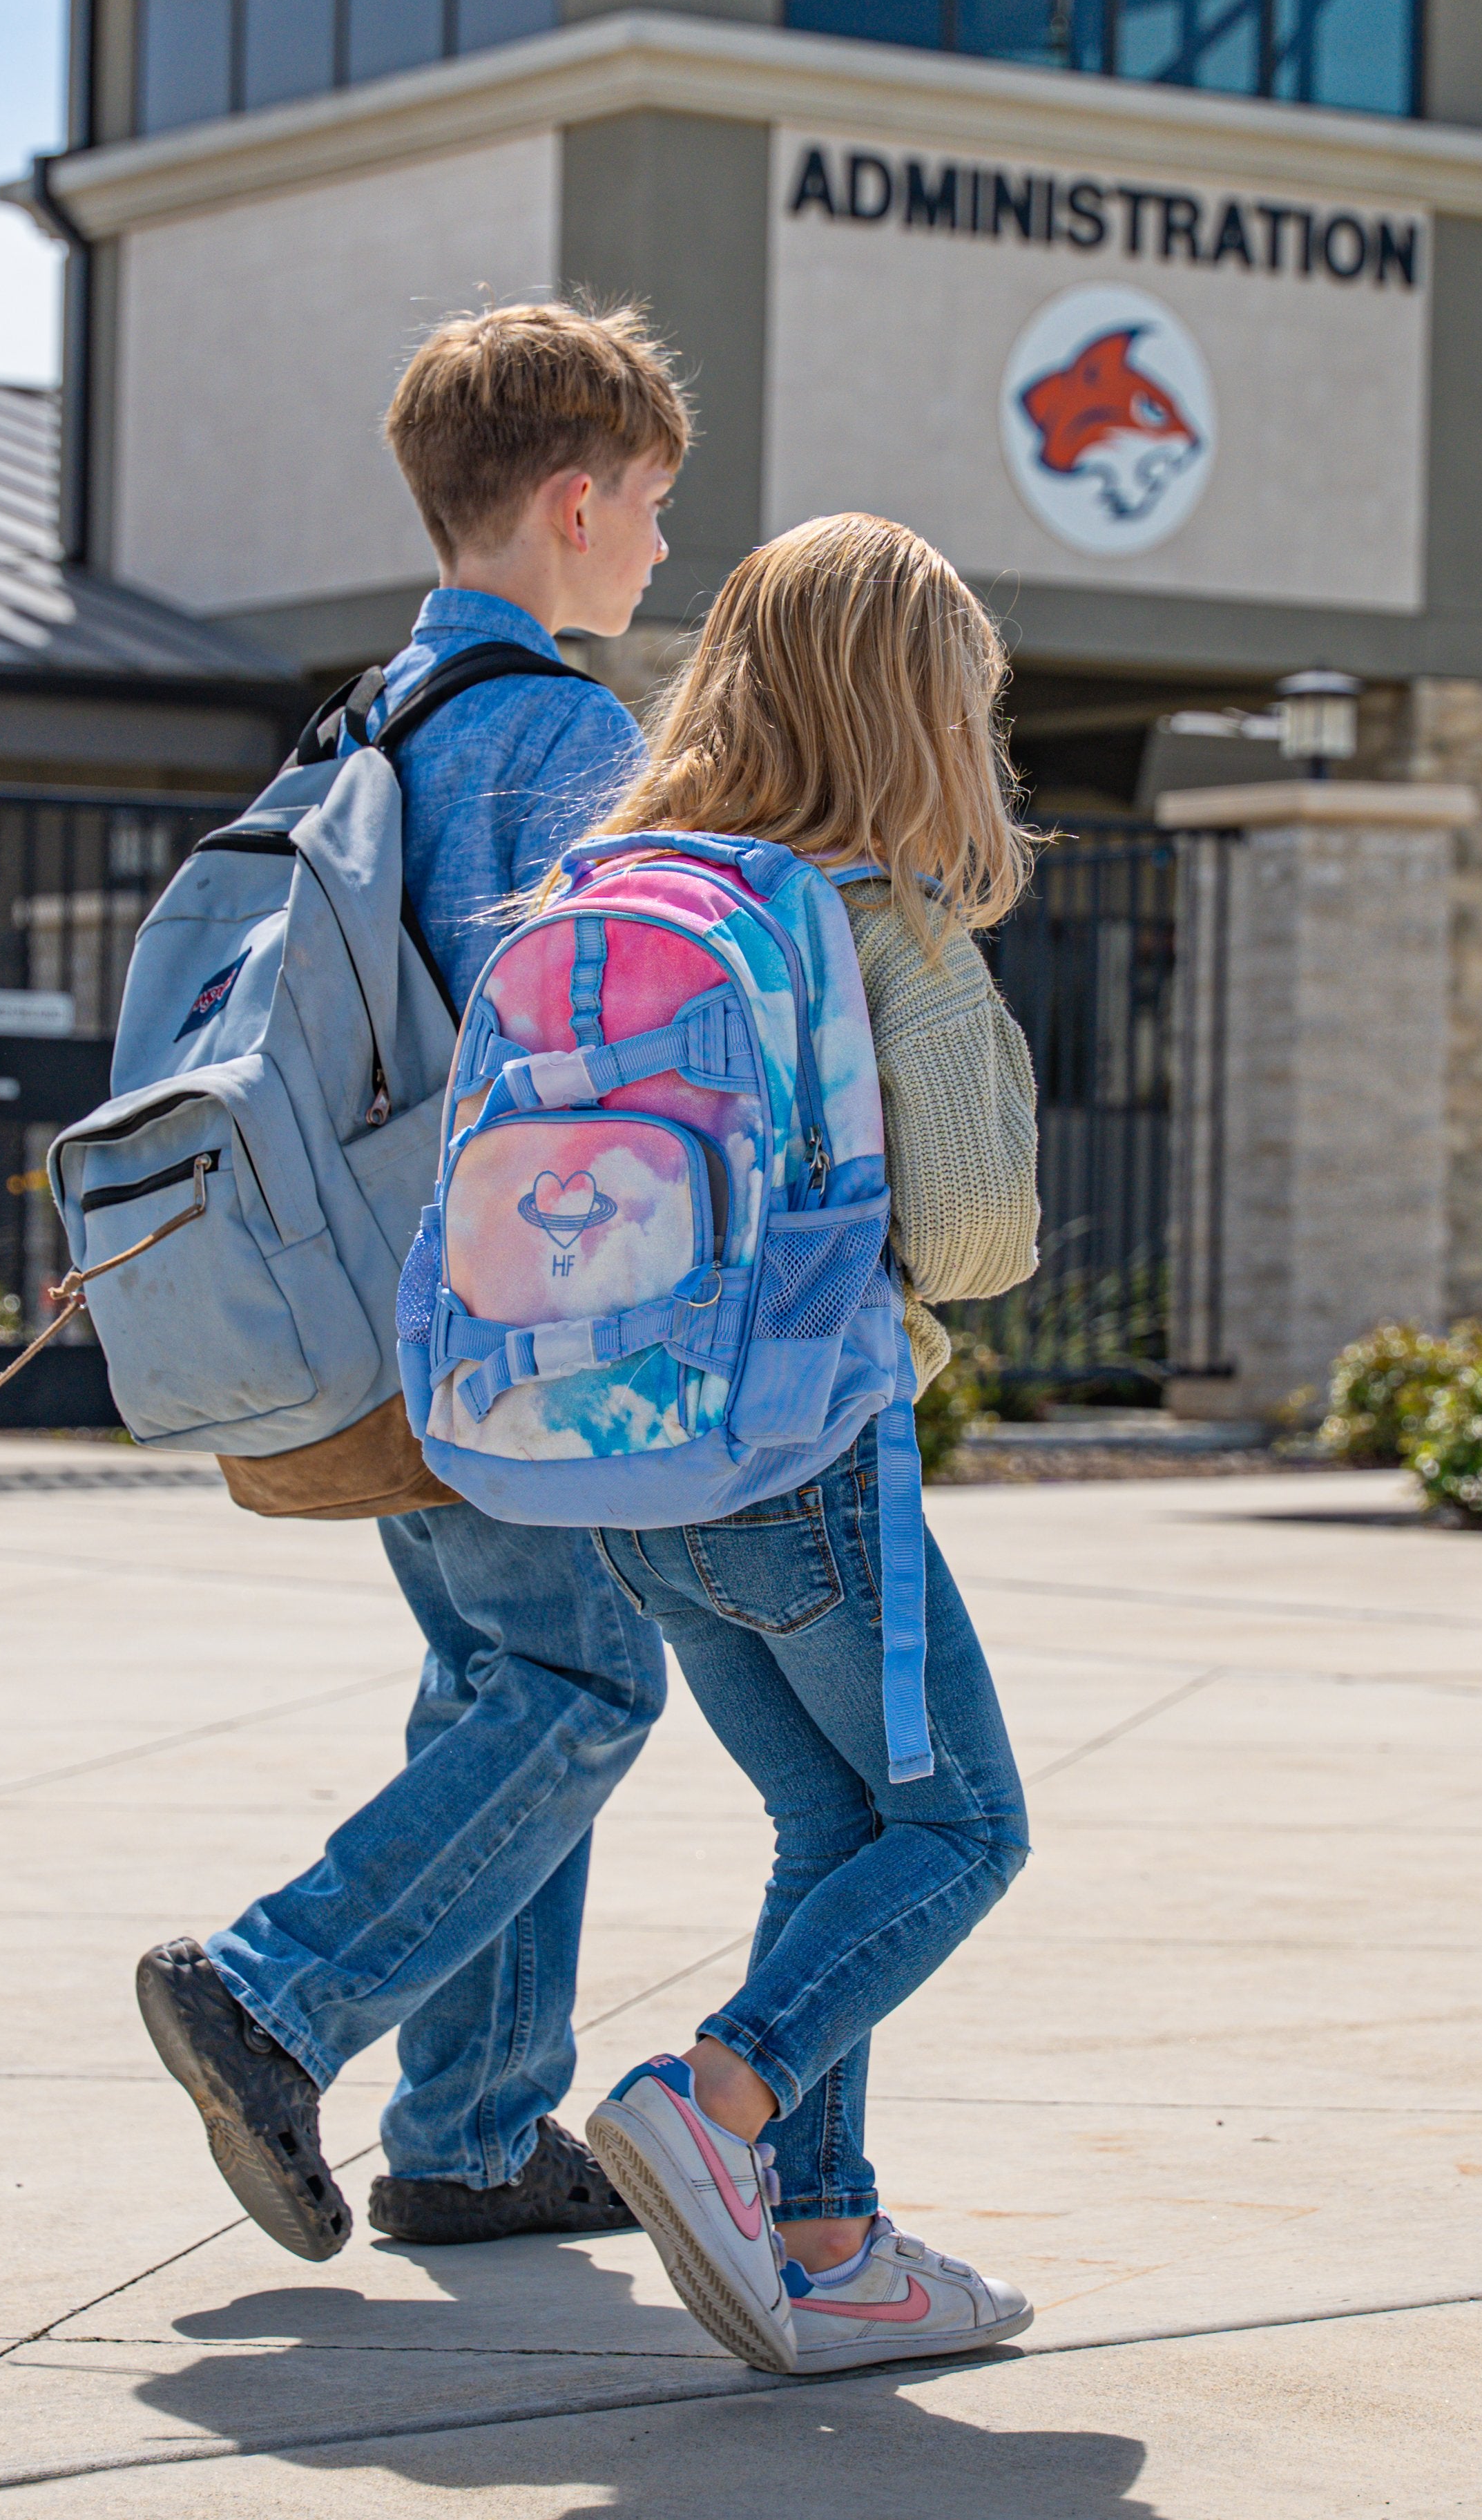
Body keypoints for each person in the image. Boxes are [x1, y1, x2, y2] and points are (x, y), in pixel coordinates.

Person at [133, 299, 690, 2260]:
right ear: (567, 501)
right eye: (645, 504)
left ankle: (467, 2132)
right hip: (501, 1305)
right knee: (584, 1680)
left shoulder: (359, 717)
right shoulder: (559, 729)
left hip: (361, 1297)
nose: (658, 545)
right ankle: (276, 1995)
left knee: (496, 1683)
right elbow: (565, 1049)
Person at [563, 513, 1048, 2375]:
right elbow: (980, 1238)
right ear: (924, 715)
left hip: (622, 1462)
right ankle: (727, 2098)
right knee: (968, 1822)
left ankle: (829, 2239)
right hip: (810, 1454)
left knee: (835, 1818)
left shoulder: (617, 885)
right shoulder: (879, 919)